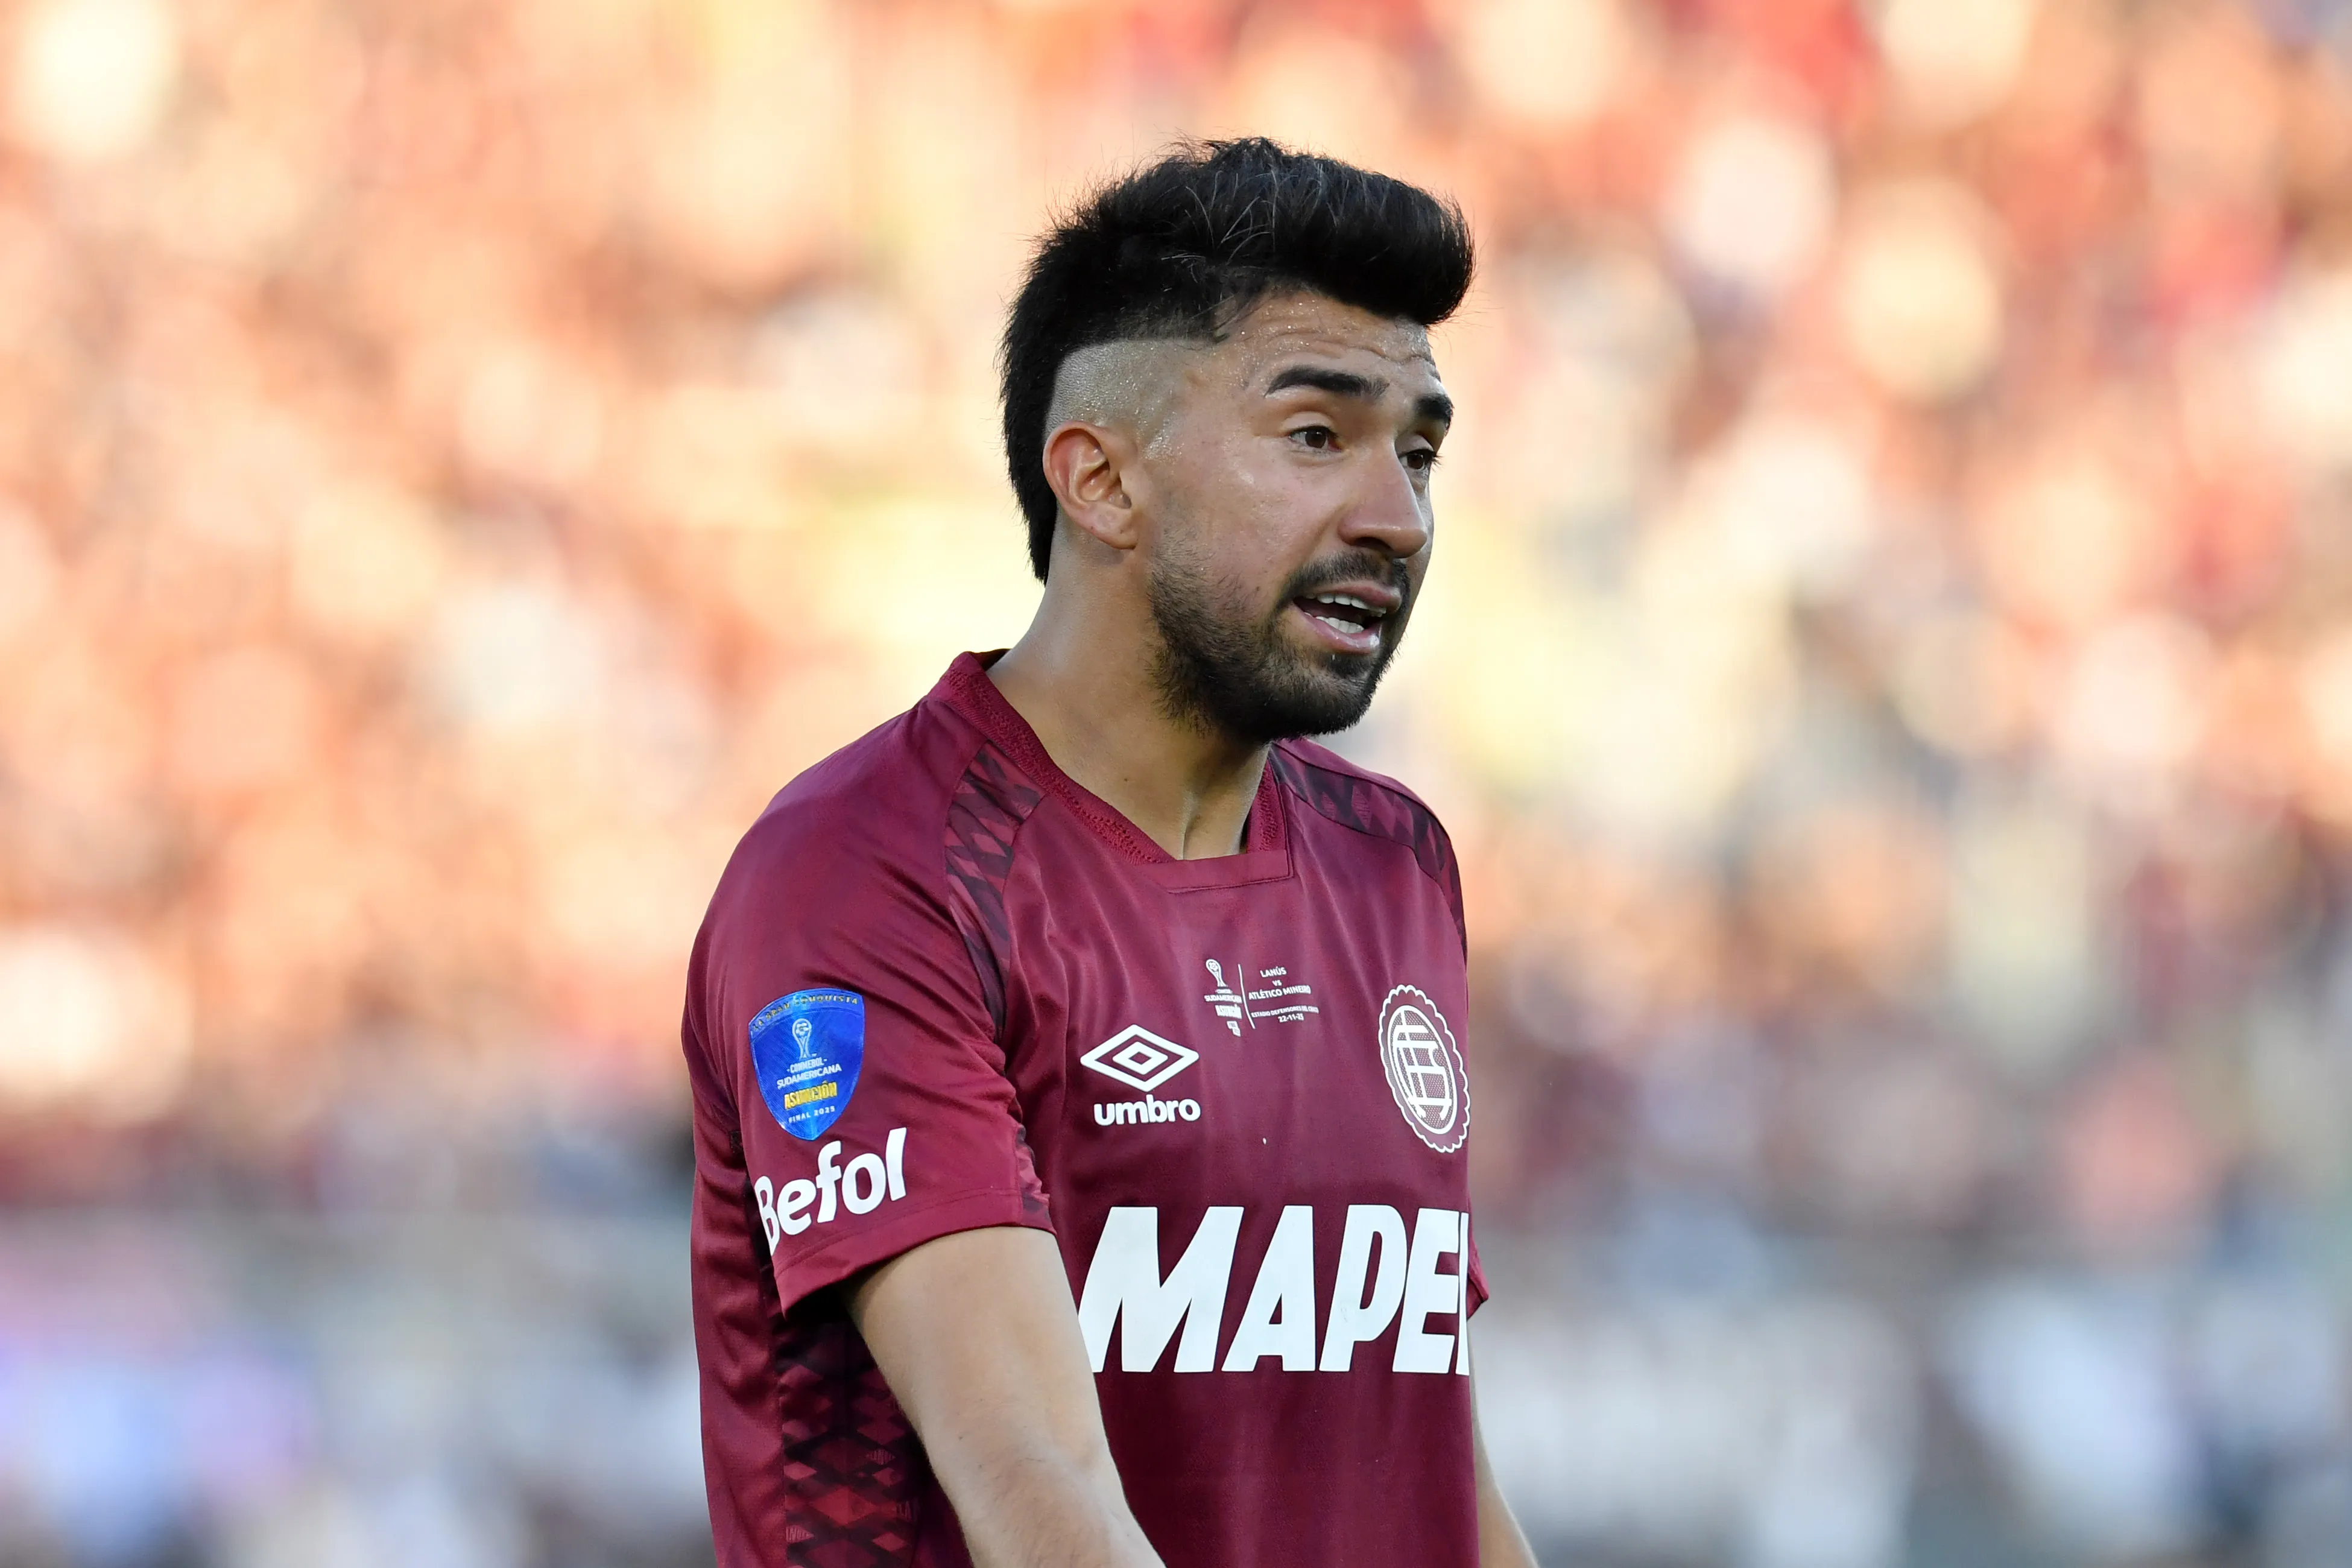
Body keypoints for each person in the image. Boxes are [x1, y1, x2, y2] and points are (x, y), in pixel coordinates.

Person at [682, 138, 1538, 1568]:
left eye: (1420, 450)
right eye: (1318, 437)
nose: (1397, 515)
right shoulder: (870, 877)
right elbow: (1037, 1492)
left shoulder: (1394, 864)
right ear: (1100, 481)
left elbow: (1424, 1462)